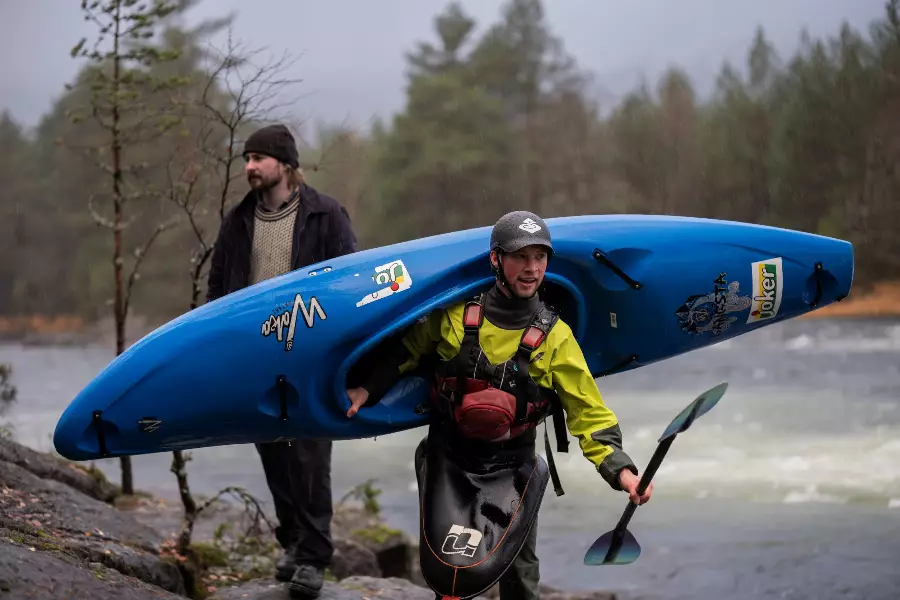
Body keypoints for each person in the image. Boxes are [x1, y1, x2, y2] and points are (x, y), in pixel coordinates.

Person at [344, 210, 652, 600]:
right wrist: (366, 388)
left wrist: (621, 471)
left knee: (520, 573)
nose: (531, 268)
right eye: (520, 256)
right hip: (450, 456)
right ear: (496, 259)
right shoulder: (455, 316)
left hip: (513, 464)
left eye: (539, 257)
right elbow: (406, 352)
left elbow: (587, 411)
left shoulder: (556, 338)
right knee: (449, 571)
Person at [206, 123, 357, 599]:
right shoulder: (237, 221)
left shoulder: (326, 214)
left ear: (286, 164)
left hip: (311, 355)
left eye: (258, 158)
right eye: (246, 159)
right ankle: (293, 542)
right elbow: (217, 290)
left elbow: (351, 283)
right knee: (273, 454)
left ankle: (313, 557)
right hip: (256, 357)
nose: (249, 167)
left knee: (309, 455)